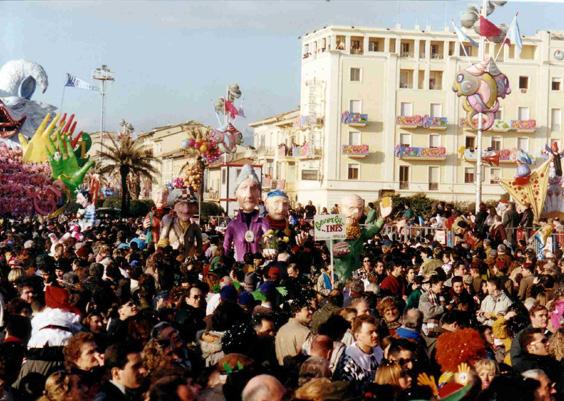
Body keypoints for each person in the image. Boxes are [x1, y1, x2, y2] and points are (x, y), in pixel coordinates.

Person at [223, 165, 265, 261]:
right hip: (240, 267)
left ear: (259, 194)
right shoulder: (233, 224)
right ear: (236, 195)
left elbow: (271, 241)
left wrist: (270, 249)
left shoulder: (263, 222)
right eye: (244, 188)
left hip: (258, 267)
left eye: (254, 188)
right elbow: (226, 247)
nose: (249, 195)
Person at [334, 314, 382, 387]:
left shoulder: (379, 351)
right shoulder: (348, 360)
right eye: (370, 332)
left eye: (376, 331)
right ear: (357, 336)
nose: (376, 335)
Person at [275, 299, 312, 365]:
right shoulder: (305, 332)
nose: (310, 312)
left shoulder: (280, 330)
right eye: (307, 309)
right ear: (296, 312)